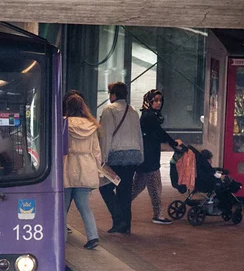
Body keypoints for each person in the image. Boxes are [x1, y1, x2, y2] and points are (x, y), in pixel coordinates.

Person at [98, 82, 144, 234]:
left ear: (114, 95)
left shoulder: (109, 110)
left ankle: (119, 221)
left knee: (105, 187)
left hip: (117, 156)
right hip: (133, 156)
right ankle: (126, 224)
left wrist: (103, 158)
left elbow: (106, 135)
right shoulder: (133, 111)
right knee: (124, 190)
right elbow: (139, 135)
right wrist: (140, 156)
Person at [132, 90, 182, 224]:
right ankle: (158, 215)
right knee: (155, 188)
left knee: (137, 187)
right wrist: (173, 143)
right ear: (149, 101)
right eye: (155, 100)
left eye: (160, 100)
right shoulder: (149, 116)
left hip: (146, 157)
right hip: (149, 159)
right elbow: (160, 133)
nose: (158, 103)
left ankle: (120, 204)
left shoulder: (149, 115)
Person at [63, 93, 101, 250]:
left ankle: (61, 237)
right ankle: (93, 236)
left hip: (67, 165)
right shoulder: (91, 125)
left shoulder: (64, 123)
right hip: (86, 166)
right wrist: (98, 171)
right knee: (84, 205)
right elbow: (96, 151)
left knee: (62, 206)